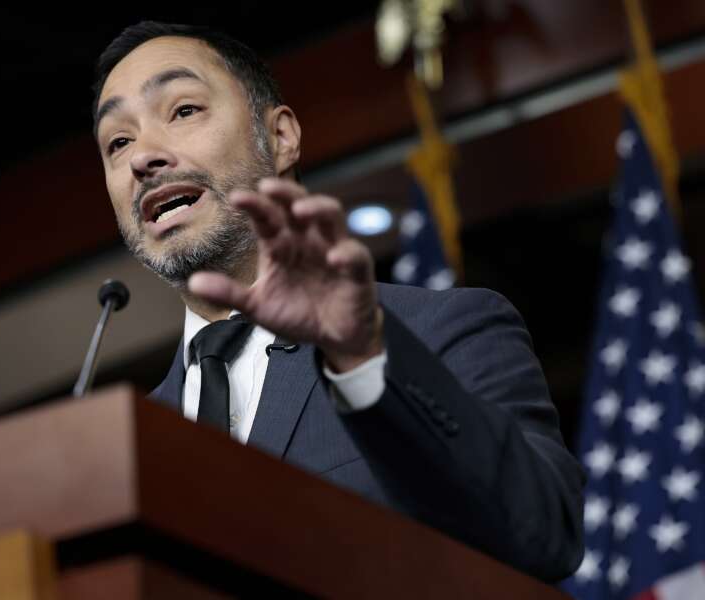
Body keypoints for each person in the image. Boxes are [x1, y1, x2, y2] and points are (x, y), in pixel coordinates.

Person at [91, 22, 585, 582]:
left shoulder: (441, 331)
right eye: (118, 142)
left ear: (280, 138)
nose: (143, 157)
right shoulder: (126, 446)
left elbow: (544, 533)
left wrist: (362, 356)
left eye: (182, 111)